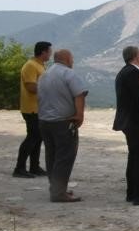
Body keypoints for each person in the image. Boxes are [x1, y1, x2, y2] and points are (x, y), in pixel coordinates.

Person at [38, 49, 88, 203]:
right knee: (65, 157)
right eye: (72, 58)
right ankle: (59, 193)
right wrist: (79, 115)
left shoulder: (44, 74)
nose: (73, 61)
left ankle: (56, 188)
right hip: (63, 122)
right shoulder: (68, 74)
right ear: (66, 58)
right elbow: (79, 93)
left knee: (51, 155)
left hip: (44, 121)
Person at [113, 46, 139, 205]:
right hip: (135, 122)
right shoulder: (133, 73)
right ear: (136, 57)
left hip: (131, 121)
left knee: (135, 157)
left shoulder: (126, 71)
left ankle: (133, 192)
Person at [14, 41, 52, 178]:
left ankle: (34, 167)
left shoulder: (40, 65)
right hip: (31, 108)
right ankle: (19, 168)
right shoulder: (30, 66)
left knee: (38, 138)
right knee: (32, 137)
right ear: (43, 52)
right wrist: (49, 90)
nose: (50, 54)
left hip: (38, 108)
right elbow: (30, 87)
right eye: (49, 51)